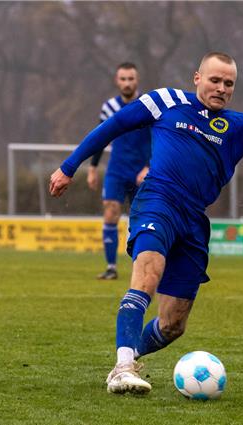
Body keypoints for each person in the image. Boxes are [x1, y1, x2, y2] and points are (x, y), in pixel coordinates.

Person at [49, 52, 243, 394]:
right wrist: (69, 167)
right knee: (148, 273)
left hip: (193, 221)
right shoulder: (165, 101)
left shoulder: (240, 127)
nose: (221, 88)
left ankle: (129, 354)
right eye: (214, 80)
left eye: (229, 83)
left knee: (173, 324)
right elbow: (111, 128)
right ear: (197, 78)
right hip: (157, 202)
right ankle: (123, 367)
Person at [87, 62, 152, 280]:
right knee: (111, 211)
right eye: (123, 79)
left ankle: (140, 266)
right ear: (117, 81)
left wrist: (149, 167)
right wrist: (93, 168)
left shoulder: (148, 106)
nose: (127, 83)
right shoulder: (109, 108)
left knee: (140, 219)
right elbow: (99, 137)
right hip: (116, 170)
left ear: (137, 80)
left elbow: (160, 140)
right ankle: (111, 267)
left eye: (130, 79)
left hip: (141, 172)